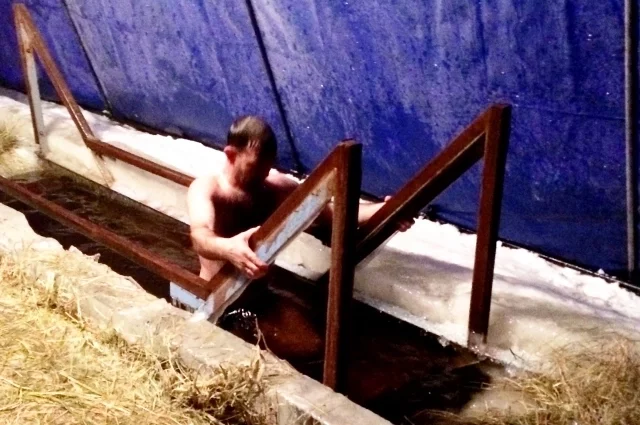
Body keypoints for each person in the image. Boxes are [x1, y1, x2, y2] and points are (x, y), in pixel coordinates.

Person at [187, 115, 414, 282]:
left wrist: (386, 211)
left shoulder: (275, 187)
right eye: (255, 166)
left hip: (260, 294)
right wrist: (228, 248)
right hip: (214, 298)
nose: (264, 173)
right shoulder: (208, 189)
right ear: (230, 154)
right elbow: (200, 236)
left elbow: (330, 213)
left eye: (268, 166)